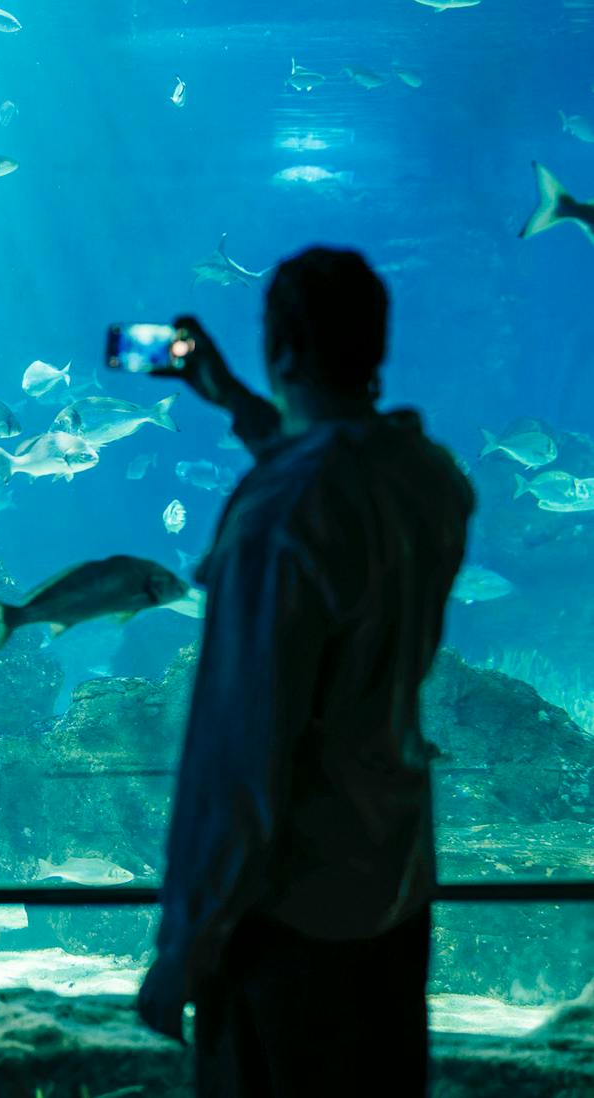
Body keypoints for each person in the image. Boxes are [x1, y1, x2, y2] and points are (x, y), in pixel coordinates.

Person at [134, 247, 473, 1095]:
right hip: (391, 890)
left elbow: (244, 758)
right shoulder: (429, 481)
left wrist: (185, 948)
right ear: (375, 346)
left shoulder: (279, 517)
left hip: (285, 918)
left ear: (281, 349)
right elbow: (343, 470)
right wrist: (242, 408)